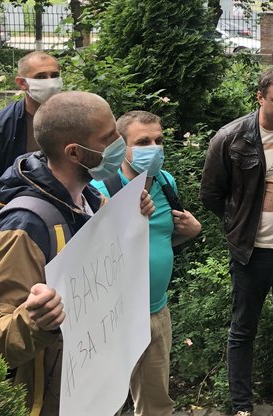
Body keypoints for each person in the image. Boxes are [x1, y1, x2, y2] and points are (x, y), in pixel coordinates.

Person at [0, 91, 153, 415]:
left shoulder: (90, 202)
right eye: (109, 137)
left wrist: (130, 222)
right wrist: (34, 320)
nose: (119, 143)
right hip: (48, 402)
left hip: (91, 392)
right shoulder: (23, 230)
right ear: (75, 153)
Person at [200, 67, 273, 416]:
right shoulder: (231, 137)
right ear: (260, 97)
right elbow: (211, 195)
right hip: (254, 253)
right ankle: (242, 407)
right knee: (243, 330)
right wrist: (238, 226)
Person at [90, 110, 201, 415]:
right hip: (114, 317)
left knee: (156, 403)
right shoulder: (98, 190)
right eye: (142, 142)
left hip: (157, 311)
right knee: (103, 401)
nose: (153, 147)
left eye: (158, 140)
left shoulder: (166, 183)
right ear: (120, 147)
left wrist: (190, 233)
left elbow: (161, 240)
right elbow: (89, 259)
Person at [0, 51, 64, 224]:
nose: (50, 82)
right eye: (41, 77)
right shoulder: (0, 126)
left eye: (55, 75)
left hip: (68, 218)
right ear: (22, 83)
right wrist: (8, 230)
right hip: (21, 224)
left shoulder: (73, 119)